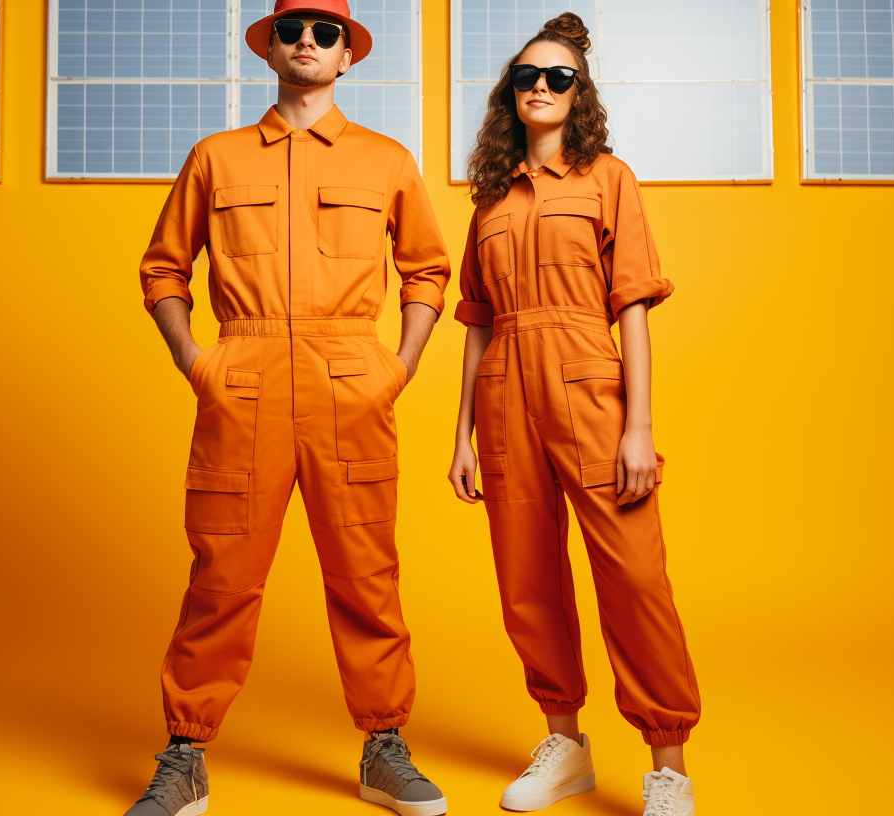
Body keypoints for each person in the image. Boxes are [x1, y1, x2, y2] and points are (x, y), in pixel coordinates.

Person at [128, 2, 452, 814]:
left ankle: (383, 745)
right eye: (292, 30)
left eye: (326, 31)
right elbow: (164, 270)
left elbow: (427, 272)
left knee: (366, 577)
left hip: (351, 381)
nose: (308, 41)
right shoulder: (217, 157)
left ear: (347, 56)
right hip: (243, 382)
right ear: (269, 49)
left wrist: (397, 368)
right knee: (221, 579)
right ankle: (185, 755)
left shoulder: (386, 160)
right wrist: (197, 362)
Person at [446, 13, 701, 816]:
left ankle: (669, 766)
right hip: (503, 393)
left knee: (633, 578)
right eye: (528, 76)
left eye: (559, 77)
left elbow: (632, 305)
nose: (543, 88)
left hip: (591, 386)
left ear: (580, 93)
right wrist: (460, 434)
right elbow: (478, 319)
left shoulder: (607, 179)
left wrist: (638, 423)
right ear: (509, 94)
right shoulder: (489, 198)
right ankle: (565, 745)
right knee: (528, 579)